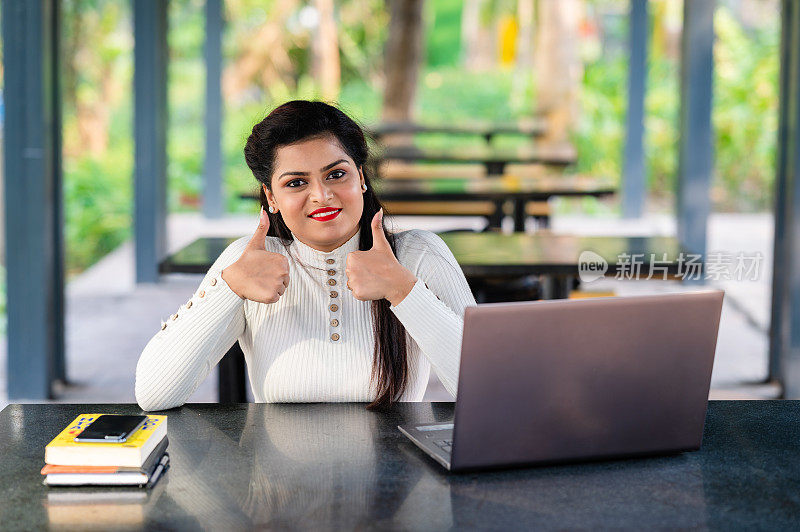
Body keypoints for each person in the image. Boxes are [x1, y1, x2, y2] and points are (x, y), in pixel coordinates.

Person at [135, 100, 477, 411]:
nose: (322, 195)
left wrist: (404, 290)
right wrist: (229, 288)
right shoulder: (248, 261)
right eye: (296, 183)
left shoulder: (419, 254)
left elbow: (488, 392)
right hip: (280, 480)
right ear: (271, 197)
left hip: (396, 476)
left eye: (336, 174)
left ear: (360, 177)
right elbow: (155, 395)